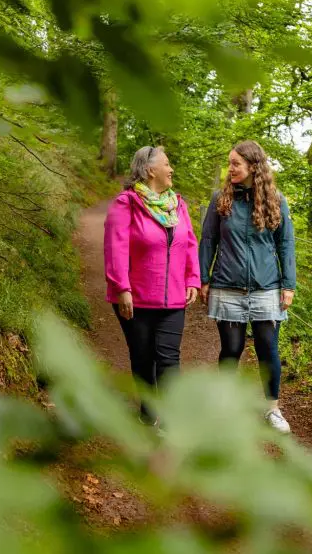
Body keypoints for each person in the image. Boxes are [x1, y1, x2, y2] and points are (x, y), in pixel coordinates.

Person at [199, 140, 296, 434]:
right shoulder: (220, 199)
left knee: (268, 348)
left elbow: (285, 243)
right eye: (230, 163)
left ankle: (272, 409)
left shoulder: (276, 200)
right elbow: (208, 241)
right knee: (232, 348)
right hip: (227, 286)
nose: (231, 169)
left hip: (267, 288)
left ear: (253, 167)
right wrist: (203, 278)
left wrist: (288, 284)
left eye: (236, 164)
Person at [104, 145, 200, 429]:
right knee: (143, 357)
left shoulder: (177, 205)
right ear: (150, 170)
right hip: (136, 297)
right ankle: (148, 411)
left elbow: (190, 243)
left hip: (173, 298)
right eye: (167, 164)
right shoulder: (127, 203)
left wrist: (193, 278)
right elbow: (115, 248)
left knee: (169, 357)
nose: (171, 169)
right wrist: (122, 288)